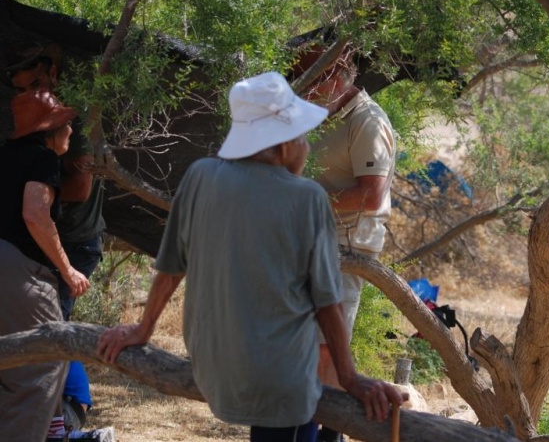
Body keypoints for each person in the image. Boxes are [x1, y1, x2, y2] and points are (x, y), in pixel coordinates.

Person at [97, 71, 402, 442]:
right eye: (301, 135)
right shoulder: (307, 198)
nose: (306, 144)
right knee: (298, 394)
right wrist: (351, 378)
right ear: (283, 142)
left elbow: (171, 266)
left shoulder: (199, 176)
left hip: (213, 368)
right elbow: (327, 301)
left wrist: (143, 329)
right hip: (278, 382)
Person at [290, 45, 396, 442]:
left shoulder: (368, 120)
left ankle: (326, 436)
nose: (304, 93)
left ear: (334, 78)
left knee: (328, 356)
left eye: (311, 83)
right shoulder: (322, 114)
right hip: (310, 245)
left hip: (346, 252)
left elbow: (371, 195)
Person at [5, 42, 106, 431]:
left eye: (32, 82)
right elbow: (35, 212)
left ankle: (69, 414)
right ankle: (64, 419)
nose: (26, 92)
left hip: (72, 241)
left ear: (51, 73)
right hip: (35, 254)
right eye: (19, 88)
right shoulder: (41, 155)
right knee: (50, 341)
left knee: (47, 335)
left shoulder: (69, 131)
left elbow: (80, 187)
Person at [0, 90, 91, 441]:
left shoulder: (5, 158)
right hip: (18, 271)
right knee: (42, 368)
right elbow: (36, 214)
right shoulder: (41, 158)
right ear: (50, 131)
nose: (70, 132)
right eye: (66, 125)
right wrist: (67, 270)